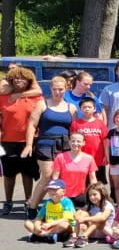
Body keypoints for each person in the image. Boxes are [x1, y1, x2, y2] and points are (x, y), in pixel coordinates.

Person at [23, 75, 77, 217]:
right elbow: (32, 124)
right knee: (48, 177)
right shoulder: (42, 104)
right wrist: (29, 144)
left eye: (60, 89)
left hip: (64, 145)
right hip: (45, 144)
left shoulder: (71, 108)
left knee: (62, 178)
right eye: (55, 89)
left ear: (66, 89)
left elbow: (75, 129)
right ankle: (32, 207)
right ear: (50, 89)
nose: (57, 92)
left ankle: (58, 208)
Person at [0, 66, 42, 213]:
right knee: (9, 174)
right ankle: (8, 202)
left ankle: (28, 201)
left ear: (28, 81)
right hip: (7, 141)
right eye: (15, 78)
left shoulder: (35, 97)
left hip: (30, 140)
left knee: (27, 173)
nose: (18, 80)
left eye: (22, 78)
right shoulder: (3, 96)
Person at [72, 182, 115, 246]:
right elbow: (77, 213)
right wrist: (78, 217)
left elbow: (103, 217)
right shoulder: (90, 205)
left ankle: (84, 236)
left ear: (102, 194)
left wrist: (85, 219)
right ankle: (74, 236)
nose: (92, 197)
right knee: (83, 213)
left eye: (95, 194)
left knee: (99, 215)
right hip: (92, 233)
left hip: (104, 232)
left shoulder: (107, 205)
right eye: (90, 195)